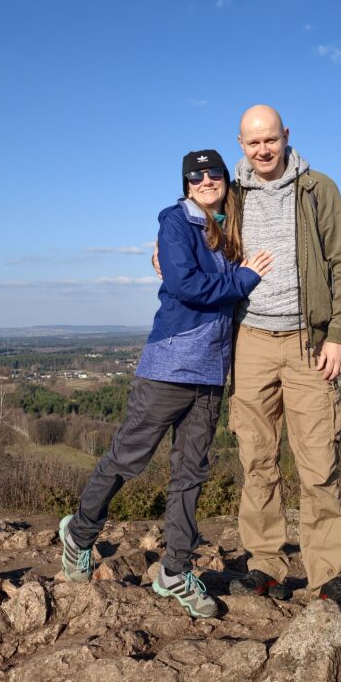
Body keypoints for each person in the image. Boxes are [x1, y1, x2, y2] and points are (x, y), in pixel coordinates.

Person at [59, 149, 272, 618]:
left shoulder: (230, 224)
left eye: (214, 173)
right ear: (186, 184)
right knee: (127, 459)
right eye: (196, 176)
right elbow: (186, 286)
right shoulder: (176, 222)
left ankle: (174, 571)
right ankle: (80, 533)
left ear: (226, 179)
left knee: (190, 473)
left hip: (211, 374)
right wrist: (246, 278)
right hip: (169, 369)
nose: (206, 180)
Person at [227, 105, 341, 603]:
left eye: (270, 140)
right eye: (253, 142)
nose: (263, 150)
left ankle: (327, 574)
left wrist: (338, 334)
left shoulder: (317, 188)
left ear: (285, 136)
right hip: (250, 340)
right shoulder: (231, 195)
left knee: (318, 461)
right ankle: (265, 565)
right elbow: (192, 227)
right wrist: (163, 251)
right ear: (241, 144)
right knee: (256, 457)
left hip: (309, 341)